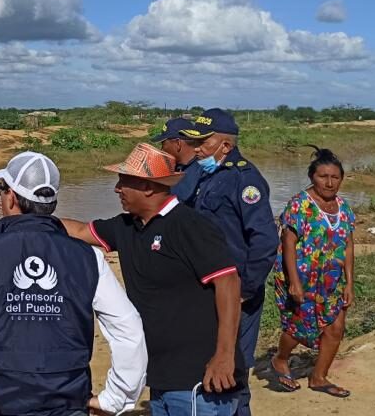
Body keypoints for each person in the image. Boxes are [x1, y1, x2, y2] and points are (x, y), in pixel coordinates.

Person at [0, 152, 148, 416]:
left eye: (1, 188)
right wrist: (115, 399)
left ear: (10, 196)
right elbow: (129, 329)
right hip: (68, 406)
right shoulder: (88, 257)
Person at [61, 143, 244, 416]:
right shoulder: (127, 226)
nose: (117, 189)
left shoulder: (189, 225)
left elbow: (228, 283)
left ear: (148, 187)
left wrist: (224, 356)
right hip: (160, 375)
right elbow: (77, 230)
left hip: (199, 377)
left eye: (124, 182)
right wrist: (26, 220)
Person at [180, 108, 278, 416]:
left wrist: (244, 290)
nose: (197, 150)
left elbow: (264, 242)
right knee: (206, 357)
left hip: (237, 292)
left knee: (234, 365)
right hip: (205, 289)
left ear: (225, 145)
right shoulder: (201, 172)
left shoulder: (245, 181)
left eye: (204, 143)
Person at [270, 148, 355, 398]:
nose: (329, 182)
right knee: (299, 326)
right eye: (322, 176)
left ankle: (319, 378)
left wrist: (349, 283)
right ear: (312, 177)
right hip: (302, 278)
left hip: (331, 281)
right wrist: (294, 282)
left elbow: (348, 245)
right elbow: (288, 242)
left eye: (335, 177)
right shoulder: (300, 204)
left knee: (335, 328)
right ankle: (280, 358)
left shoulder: (343, 208)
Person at [152, 117, 203, 207]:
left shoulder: (203, 172)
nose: (162, 149)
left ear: (178, 143)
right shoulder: (173, 167)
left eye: (163, 144)